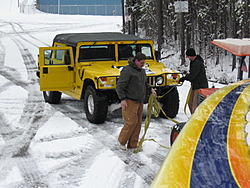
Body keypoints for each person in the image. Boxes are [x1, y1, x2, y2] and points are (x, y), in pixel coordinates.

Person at [116, 52, 156, 150]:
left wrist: (150, 89)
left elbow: (144, 83)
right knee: (131, 122)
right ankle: (122, 141)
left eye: (144, 63)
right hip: (130, 101)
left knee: (138, 123)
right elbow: (120, 86)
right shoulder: (127, 71)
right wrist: (123, 99)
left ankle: (133, 144)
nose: (143, 65)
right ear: (136, 61)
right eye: (141, 63)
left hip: (140, 100)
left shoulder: (141, 71)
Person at [179, 48, 208, 114]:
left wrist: (184, 78)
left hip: (200, 86)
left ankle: (196, 120)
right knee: (190, 102)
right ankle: (193, 118)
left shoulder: (197, 63)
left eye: (188, 56)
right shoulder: (193, 62)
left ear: (190, 55)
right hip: (195, 85)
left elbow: (193, 75)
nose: (187, 57)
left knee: (195, 105)